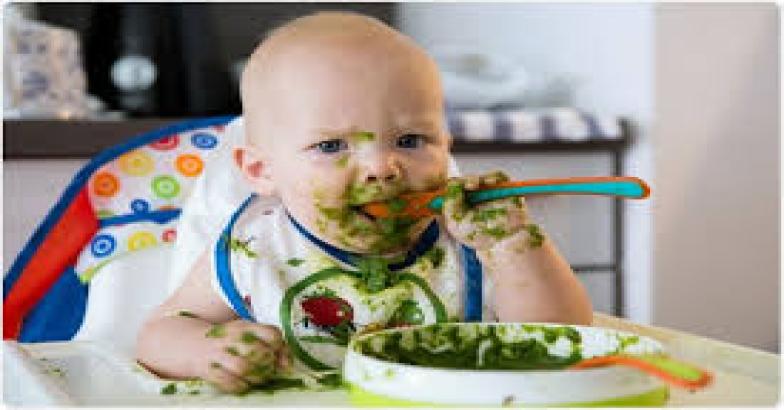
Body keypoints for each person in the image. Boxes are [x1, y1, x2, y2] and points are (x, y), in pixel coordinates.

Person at [135, 11, 592, 393]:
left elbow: (565, 338)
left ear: (445, 146)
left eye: (410, 140)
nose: (381, 167)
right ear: (261, 171)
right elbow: (159, 335)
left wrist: (513, 247)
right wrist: (207, 350)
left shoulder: (469, 242)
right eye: (332, 146)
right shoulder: (256, 250)